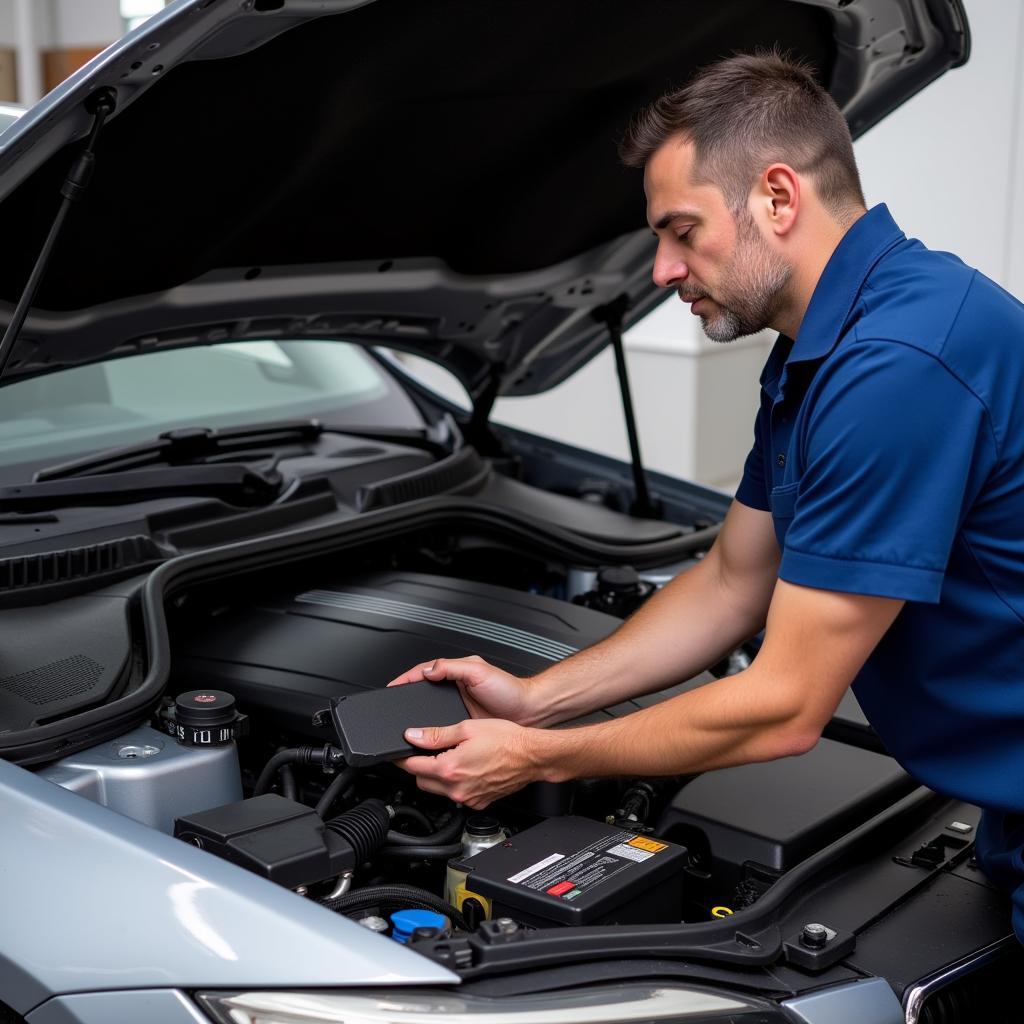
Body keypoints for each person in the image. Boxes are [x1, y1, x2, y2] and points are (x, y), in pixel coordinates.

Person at [388, 53, 1024, 937]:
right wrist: (538, 697)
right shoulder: (824, 349)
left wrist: (537, 758)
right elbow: (731, 580)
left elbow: (785, 705)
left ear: (776, 197)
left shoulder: (899, 363)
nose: (660, 269)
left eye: (681, 230)